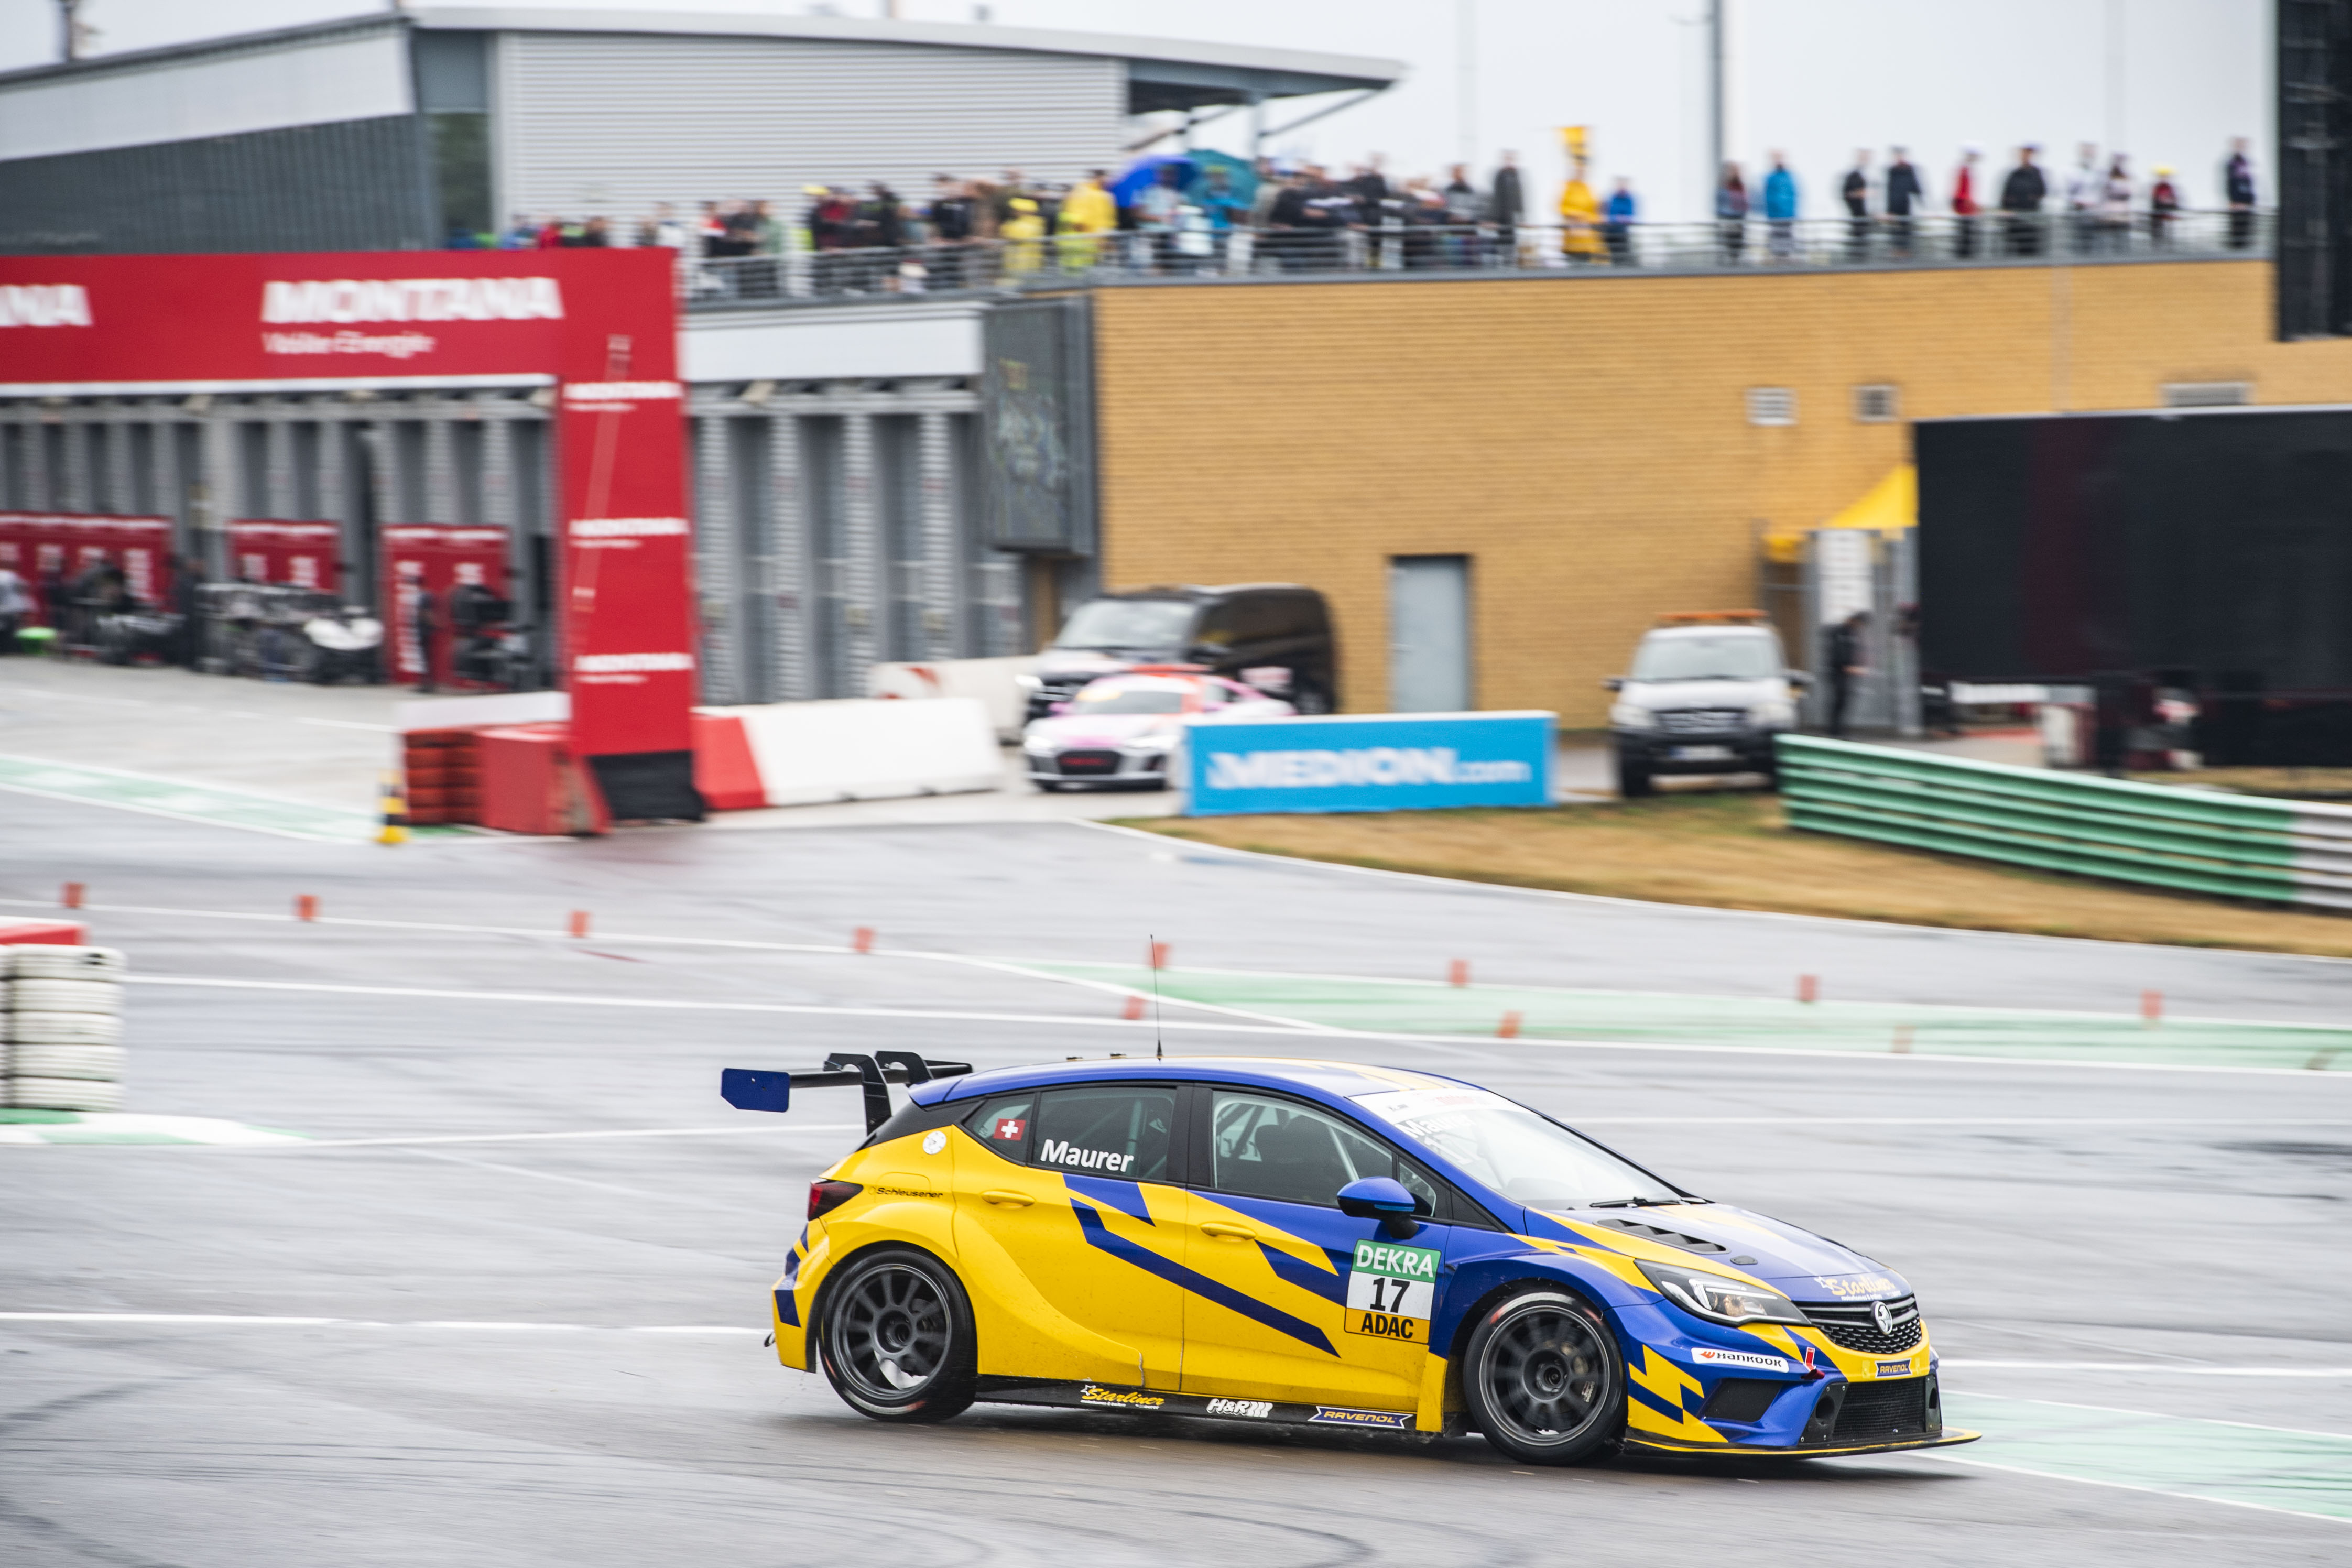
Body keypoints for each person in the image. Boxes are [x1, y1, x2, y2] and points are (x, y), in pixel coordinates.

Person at [1057, 169, 1115, 271]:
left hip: (1093, 243)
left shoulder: (1101, 194)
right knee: (1078, 272)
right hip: (1084, 243)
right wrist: (1097, 239)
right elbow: (1079, 221)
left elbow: (1104, 220)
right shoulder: (1085, 193)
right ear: (1098, 178)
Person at [1825, 609, 1868, 738]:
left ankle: (1839, 730)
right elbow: (1838, 654)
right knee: (1839, 702)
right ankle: (1835, 732)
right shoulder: (1840, 632)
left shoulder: (1850, 632)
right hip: (1838, 673)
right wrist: (1848, 667)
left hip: (1845, 673)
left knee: (1843, 702)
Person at [2001, 145, 2048, 256]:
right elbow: (2006, 196)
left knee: (2030, 250)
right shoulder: (2014, 174)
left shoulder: (2036, 173)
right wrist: (2006, 210)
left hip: (2031, 220)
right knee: (2013, 250)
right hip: (2015, 221)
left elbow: (2042, 192)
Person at [1559, 155, 1603, 264]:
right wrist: (1575, 214)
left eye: (1582, 171)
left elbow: (1596, 213)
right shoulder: (1567, 187)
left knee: (1586, 266)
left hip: (1587, 241)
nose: (1580, 173)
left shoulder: (1589, 189)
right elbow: (1561, 207)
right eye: (1578, 170)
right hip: (1571, 241)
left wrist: (1586, 218)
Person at [1883, 147, 1925, 258]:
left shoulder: (1909, 170)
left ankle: (1906, 254)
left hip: (1907, 207)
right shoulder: (1892, 171)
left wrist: (1923, 206)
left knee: (1906, 232)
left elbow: (1916, 188)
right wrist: (1889, 211)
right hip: (1895, 208)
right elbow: (1889, 191)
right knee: (1895, 233)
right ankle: (1897, 254)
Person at [1488, 150, 1524, 266]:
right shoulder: (1500, 176)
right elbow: (1496, 198)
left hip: (1512, 218)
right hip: (1501, 218)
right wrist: (1494, 219)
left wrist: (1522, 218)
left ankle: (1509, 264)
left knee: (1512, 244)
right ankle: (1504, 265)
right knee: (1502, 244)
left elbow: (1519, 198)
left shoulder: (1516, 175)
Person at [2065, 143, 2102, 253]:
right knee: (2078, 244)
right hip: (2079, 213)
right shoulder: (2073, 172)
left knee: (2094, 245)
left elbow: (2100, 193)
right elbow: (2069, 193)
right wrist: (2078, 202)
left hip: (2094, 215)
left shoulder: (2098, 172)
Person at [1762, 151, 1798, 260]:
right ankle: (1777, 258)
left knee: (1786, 239)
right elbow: (1769, 197)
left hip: (1787, 216)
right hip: (1776, 216)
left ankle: (1786, 258)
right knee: (1777, 239)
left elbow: (1792, 196)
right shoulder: (1772, 178)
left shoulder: (1788, 178)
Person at [1841, 149, 1872, 263]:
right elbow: (1846, 194)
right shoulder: (1853, 176)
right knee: (1858, 241)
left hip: (1871, 218)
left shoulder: (1873, 174)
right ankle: (1857, 261)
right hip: (1858, 216)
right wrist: (1860, 194)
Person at [2225, 137, 2257, 249]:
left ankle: (2243, 247)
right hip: (2238, 203)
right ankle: (2236, 249)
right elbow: (2230, 184)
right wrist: (2234, 201)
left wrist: (2251, 200)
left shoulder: (2246, 163)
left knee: (2246, 230)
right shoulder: (2233, 163)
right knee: (2238, 231)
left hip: (2247, 203)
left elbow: (2249, 184)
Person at [1950, 147, 1981, 258]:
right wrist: (1968, 203)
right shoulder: (1964, 171)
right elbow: (1960, 192)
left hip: (1969, 211)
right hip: (1964, 211)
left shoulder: (1968, 171)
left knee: (1968, 238)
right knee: (1964, 237)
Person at [1716, 161, 1749, 264]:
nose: (1736, 173)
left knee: (1738, 245)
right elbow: (1720, 206)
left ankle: (1736, 260)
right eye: (1733, 171)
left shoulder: (1741, 187)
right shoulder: (1723, 188)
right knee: (1730, 243)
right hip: (1729, 221)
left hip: (1739, 220)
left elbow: (1745, 204)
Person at [2098, 155, 2133, 252]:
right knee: (2108, 238)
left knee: (2121, 239)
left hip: (2121, 214)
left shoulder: (2125, 181)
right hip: (2111, 213)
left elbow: (2129, 193)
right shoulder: (2108, 181)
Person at [1602, 178, 1637, 266]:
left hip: (1622, 234)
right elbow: (1607, 215)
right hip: (1610, 233)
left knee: (1623, 257)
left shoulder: (1629, 199)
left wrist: (1621, 219)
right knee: (1609, 257)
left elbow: (1631, 216)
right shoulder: (1611, 198)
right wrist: (1617, 219)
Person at [2149, 164, 2181, 247]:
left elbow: (2174, 199)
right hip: (2158, 214)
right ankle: (2158, 246)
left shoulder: (2169, 187)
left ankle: (2169, 246)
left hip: (2168, 214)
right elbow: (2155, 199)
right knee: (2158, 234)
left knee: (2168, 233)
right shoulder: (2157, 187)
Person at [0, 561, 28, 652]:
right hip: (11, 609)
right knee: (11, 631)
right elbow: (24, 587)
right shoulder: (12, 577)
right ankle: (10, 649)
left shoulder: (3, 576)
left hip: (4, 608)